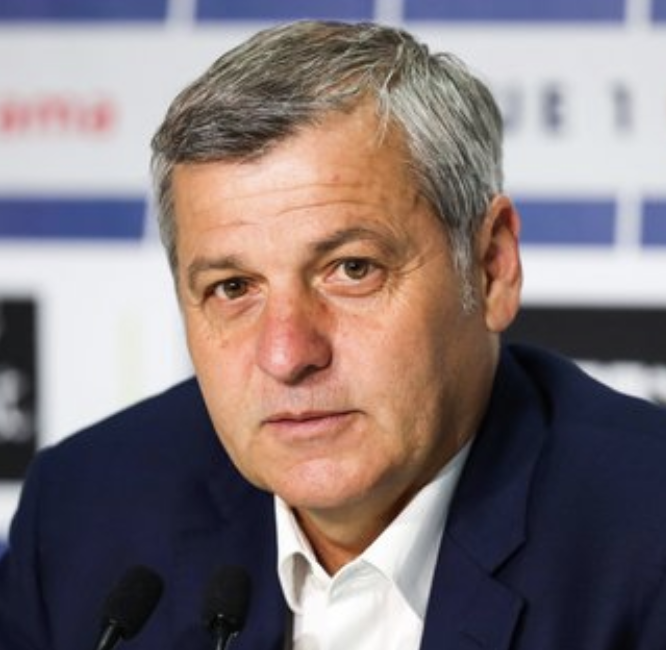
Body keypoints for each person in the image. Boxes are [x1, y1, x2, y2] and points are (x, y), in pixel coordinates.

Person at [1, 20, 666, 650]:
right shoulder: (85, 515)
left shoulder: (647, 533)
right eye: (233, 287)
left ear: (490, 267)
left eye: (352, 270)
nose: (287, 354)